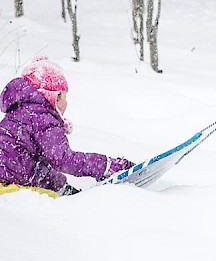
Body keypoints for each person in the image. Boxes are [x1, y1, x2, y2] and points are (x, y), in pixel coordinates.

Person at [0, 56, 134, 197]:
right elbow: (63, 160)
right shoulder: (42, 118)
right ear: (52, 96)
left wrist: (64, 188)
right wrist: (107, 166)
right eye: (63, 96)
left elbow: (37, 169)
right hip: (11, 190)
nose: (66, 103)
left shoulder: (21, 114)